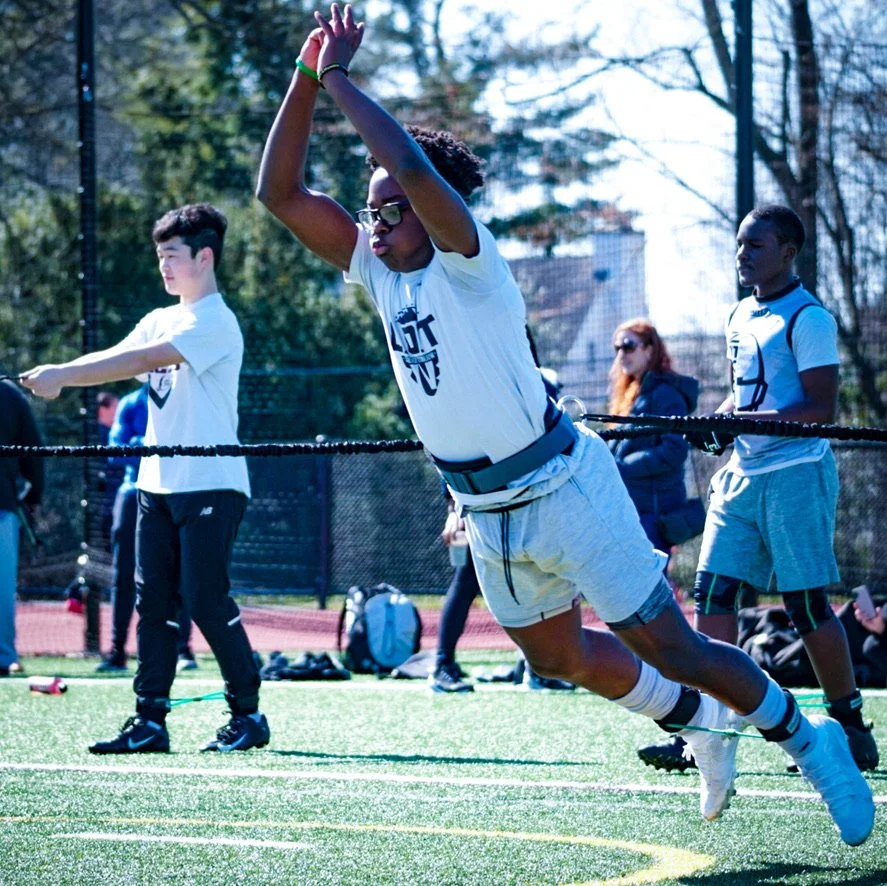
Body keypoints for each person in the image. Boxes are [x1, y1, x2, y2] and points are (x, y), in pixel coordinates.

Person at [255, 6, 873, 844]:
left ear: (431, 208)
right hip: (486, 509)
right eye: (370, 211)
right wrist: (301, 74)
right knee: (554, 658)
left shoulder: (470, 263)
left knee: (674, 645)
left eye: (390, 209)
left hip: (561, 484)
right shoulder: (376, 268)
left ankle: (810, 740)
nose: (375, 222)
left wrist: (340, 79)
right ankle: (693, 723)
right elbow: (279, 193)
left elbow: (403, 159)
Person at [638, 204, 879, 778]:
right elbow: (743, 397)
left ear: (789, 252)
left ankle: (848, 726)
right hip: (742, 477)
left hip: (797, 473)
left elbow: (820, 408)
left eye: (756, 246)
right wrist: (717, 421)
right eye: (740, 245)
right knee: (713, 596)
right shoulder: (740, 314)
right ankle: (706, 734)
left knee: (806, 605)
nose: (743, 255)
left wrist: (741, 420)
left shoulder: (809, 318)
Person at [21, 203, 270, 754]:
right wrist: (62, 373)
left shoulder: (215, 322)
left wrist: (63, 377)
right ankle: (149, 721)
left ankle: (248, 716)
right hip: (156, 485)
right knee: (151, 603)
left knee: (205, 601)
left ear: (204, 258)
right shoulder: (160, 316)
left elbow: (135, 363)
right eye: (160, 256)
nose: (164, 266)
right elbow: (119, 355)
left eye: (172, 256)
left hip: (212, 483)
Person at [96, 384, 198, 673]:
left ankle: (183, 649)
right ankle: (117, 652)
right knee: (124, 574)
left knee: (179, 572)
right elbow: (116, 450)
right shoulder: (130, 403)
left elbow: (186, 450)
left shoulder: (184, 399)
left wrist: (142, 444)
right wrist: (152, 443)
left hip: (175, 493)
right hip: (133, 493)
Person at [606, 319, 698, 555]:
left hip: (653, 517)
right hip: (631, 510)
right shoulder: (631, 394)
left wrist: (623, 467)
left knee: (651, 587)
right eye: (617, 348)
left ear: (649, 349)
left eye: (628, 346)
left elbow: (675, 450)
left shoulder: (666, 395)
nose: (621, 354)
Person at [0, 377, 45, 677]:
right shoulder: (9, 393)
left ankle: (4, 655)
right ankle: (3, 655)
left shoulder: (8, 394)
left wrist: (32, 494)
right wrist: (33, 496)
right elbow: (34, 449)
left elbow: (32, 448)